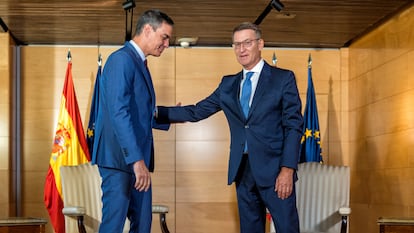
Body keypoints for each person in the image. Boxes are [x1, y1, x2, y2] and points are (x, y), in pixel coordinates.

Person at [156, 22, 303, 233]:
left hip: (276, 171)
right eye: (236, 45)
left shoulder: (283, 79)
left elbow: (294, 126)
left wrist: (287, 169)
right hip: (242, 171)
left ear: (260, 44)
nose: (241, 49)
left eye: (247, 43)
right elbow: (196, 111)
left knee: (287, 228)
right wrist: (154, 113)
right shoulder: (228, 84)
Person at [91, 9, 173, 233]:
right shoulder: (121, 60)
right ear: (147, 29)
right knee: (113, 226)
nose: (166, 44)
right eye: (164, 37)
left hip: (137, 161)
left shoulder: (139, 62)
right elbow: (118, 111)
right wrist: (136, 160)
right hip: (120, 160)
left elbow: (138, 111)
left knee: (143, 224)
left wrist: (172, 118)